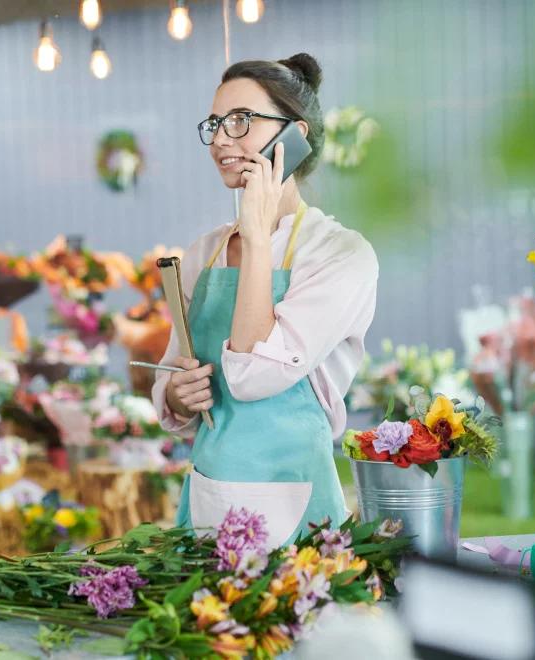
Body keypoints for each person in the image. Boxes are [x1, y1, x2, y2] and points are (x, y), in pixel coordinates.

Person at [151, 53, 379, 547]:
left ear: (294, 135)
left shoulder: (340, 255)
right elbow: (173, 369)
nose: (219, 140)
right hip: (209, 492)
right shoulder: (203, 254)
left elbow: (254, 375)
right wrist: (175, 394)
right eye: (214, 124)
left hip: (296, 504)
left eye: (240, 122)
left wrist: (256, 238)